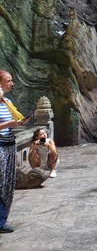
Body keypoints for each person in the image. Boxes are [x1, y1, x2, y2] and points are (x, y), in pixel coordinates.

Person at [0, 70, 30, 233]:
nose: (12, 83)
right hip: (0, 145)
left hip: (10, 143)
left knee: (7, 184)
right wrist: (7, 125)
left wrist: (19, 123)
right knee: (0, 181)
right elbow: (5, 125)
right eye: (8, 81)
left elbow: (13, 123)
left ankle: (2, 220)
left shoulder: (8, 103)